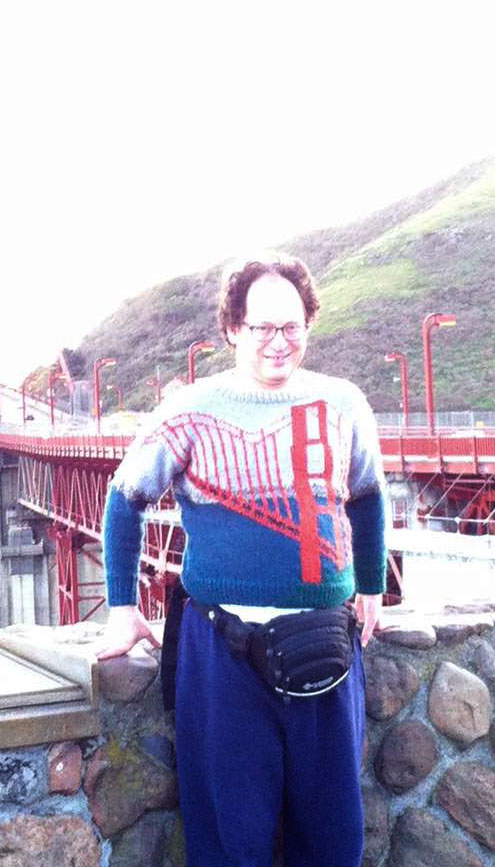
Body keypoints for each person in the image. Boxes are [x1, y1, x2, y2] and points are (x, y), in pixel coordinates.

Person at [96, 251, 387, 866]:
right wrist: (121, 609)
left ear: (308, 324)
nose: (279, 341)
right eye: (262, 327)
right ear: (233, 329)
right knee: (229, 847)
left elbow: (367, 495)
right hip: (221, 660)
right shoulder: (189, 409)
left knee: (334, 845)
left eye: (292, 326)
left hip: (327, 652)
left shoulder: (344, 403)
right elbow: (125, 498)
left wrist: (371, 586)